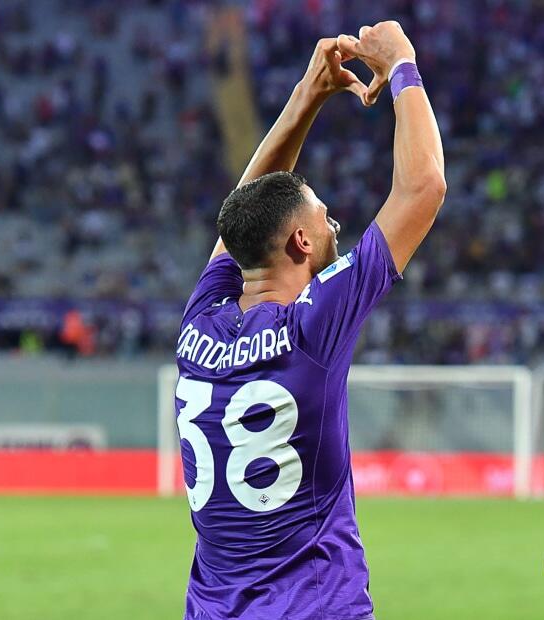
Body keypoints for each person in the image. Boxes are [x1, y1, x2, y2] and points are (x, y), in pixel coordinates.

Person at [172, 22, 444, 619]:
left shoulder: (198, 327)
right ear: (300, 240)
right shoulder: (312, 327)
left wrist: (307, 95)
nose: (336, 227)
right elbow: (422, 188)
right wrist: (402, 63)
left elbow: (240, 219)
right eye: (325, 219)